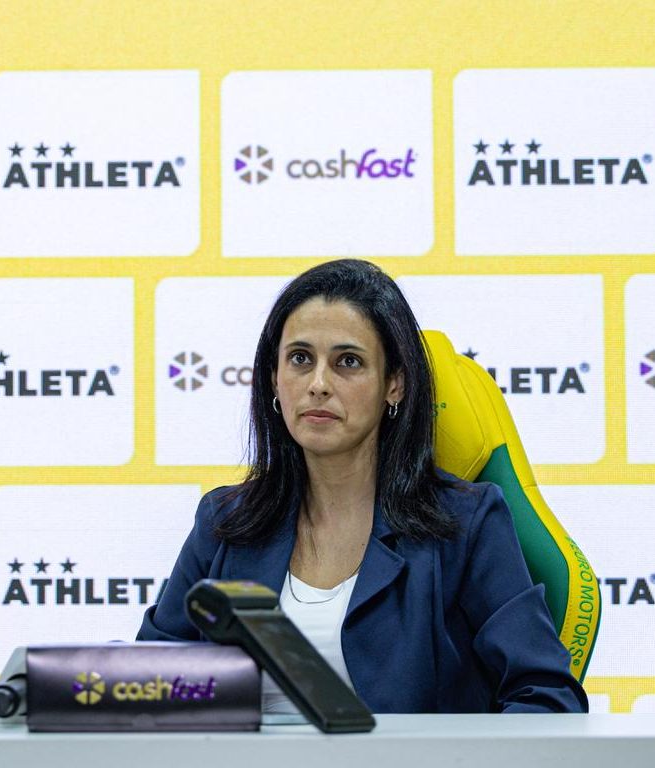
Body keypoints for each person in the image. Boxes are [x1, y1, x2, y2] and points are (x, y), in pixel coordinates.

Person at [138, 258, 587, 713]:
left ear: (394, 383)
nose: (317, 384)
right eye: (299, 359)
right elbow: (147, 686)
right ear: (274, 378)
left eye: (347, 362)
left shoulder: (466, 524)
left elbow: (546, 696)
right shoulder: (224, 521)